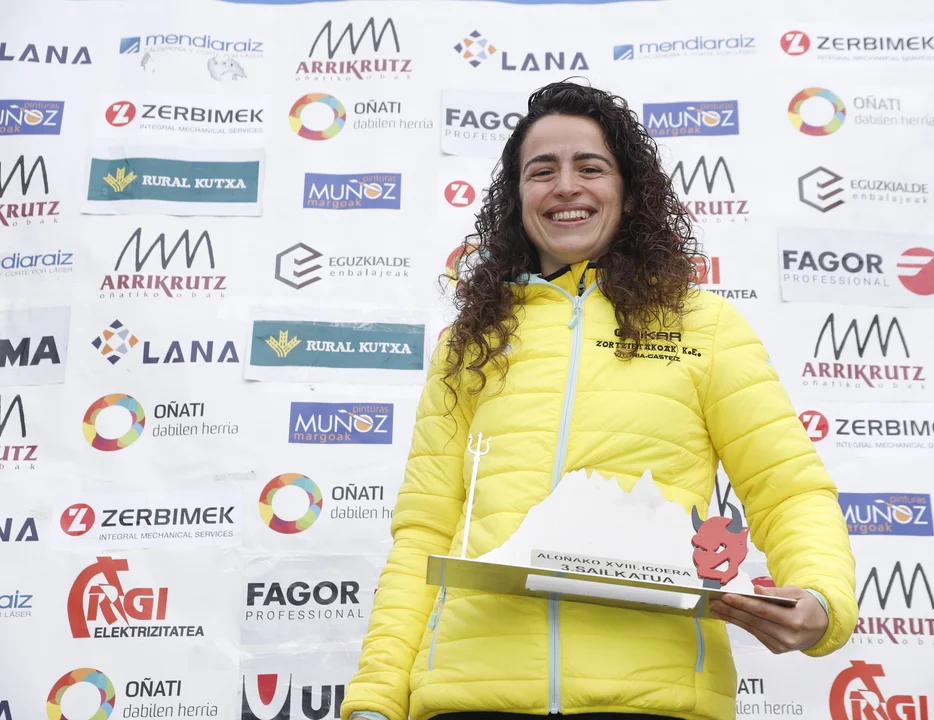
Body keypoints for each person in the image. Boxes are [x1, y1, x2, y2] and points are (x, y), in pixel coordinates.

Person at [341, 80, 857, 720]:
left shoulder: (705, 326)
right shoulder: (470, 343)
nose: (566, 186)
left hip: (654, 700)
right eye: (542, 171)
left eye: (590, 167)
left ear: (630, 192)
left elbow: (788, 489)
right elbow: (424, 531)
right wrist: (376, 697)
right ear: (517, 198)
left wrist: (822, 595)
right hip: (471, 695)